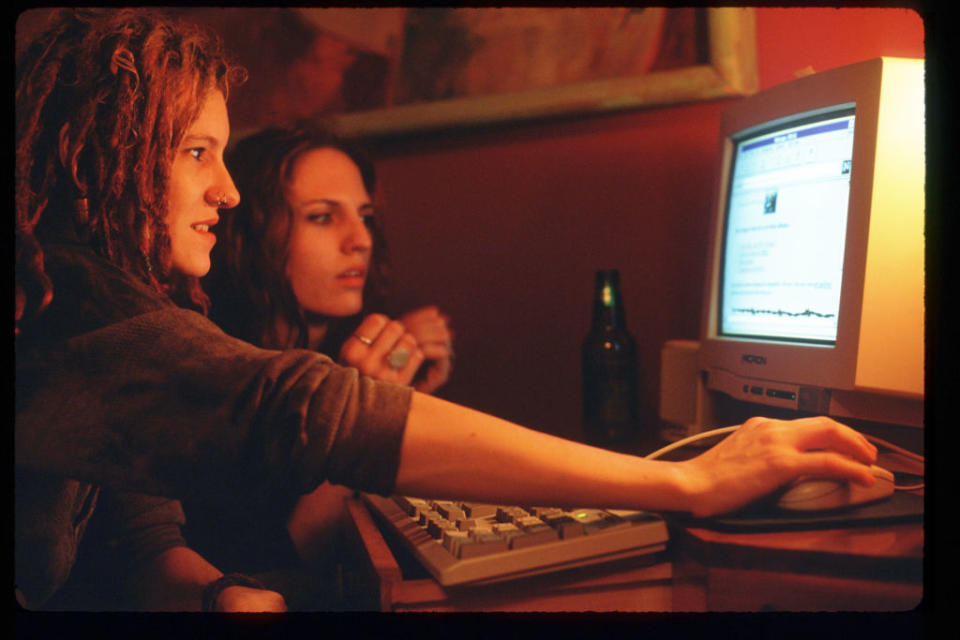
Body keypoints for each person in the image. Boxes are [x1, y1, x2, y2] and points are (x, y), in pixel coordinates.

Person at [15, 8, 881, 612]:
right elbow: (307, 414)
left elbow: (136, 536)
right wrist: (682, 480)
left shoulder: (108, 310)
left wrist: (214, 596)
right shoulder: (61, 304)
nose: (227, 189)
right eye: (196, 151)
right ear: (104, 154)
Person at [186, 123, 455, 582]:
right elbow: (275, 572)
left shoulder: (341, 354)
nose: (360, 240)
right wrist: (358, 421)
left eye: (365, 217)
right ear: (248, 233)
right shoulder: (211, 380)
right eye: (323, 217)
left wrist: (405, 407)